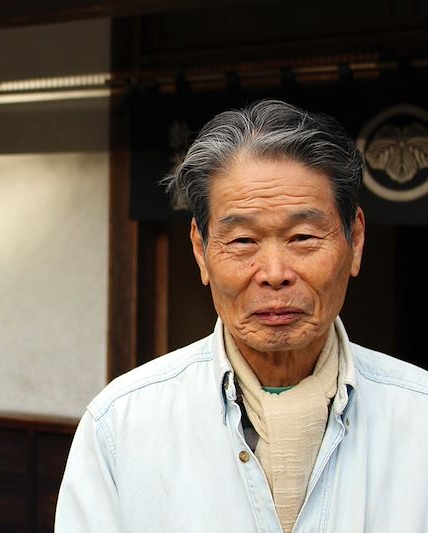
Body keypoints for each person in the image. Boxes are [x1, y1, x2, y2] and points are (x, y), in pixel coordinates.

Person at [55, 100, 428, 532]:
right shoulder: (121, 425)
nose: (274, 275)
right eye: (243, 240)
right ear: (201, 250)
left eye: (303, 236)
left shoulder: (419, 416)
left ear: (355, 240)